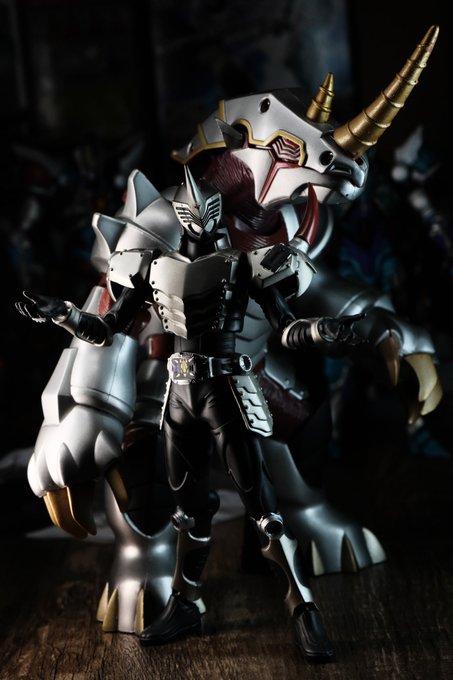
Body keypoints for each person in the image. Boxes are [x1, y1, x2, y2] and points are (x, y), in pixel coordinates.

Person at [17, 165, 366, 662]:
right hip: (178, 396)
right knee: (188, 511)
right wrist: (64, 315)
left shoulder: (248, 264)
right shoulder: (149, 267)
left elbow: (285, 325)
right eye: (189, 211)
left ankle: (303, 609)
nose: (199, 216)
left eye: (207, 210)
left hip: (228, 390)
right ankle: (186, 604)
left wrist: (322, 332)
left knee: (264, 511)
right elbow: (108, 329)